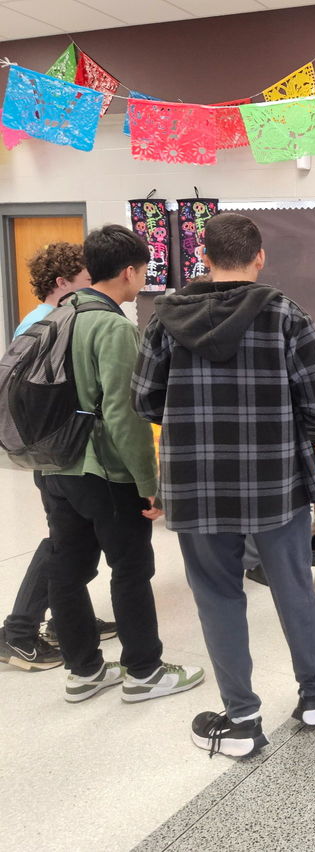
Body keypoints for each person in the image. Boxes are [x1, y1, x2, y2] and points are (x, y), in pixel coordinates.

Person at [133, 213, 315, 758]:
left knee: (217, 596)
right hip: (274, 480)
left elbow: (144, 399)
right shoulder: (286, 315)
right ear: (260, 258)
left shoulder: (164, 320)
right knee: (294, 588)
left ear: (204, 256)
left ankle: (240, 719)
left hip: (195, 483)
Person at [38, 225, 204, 704]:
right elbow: (124, 414)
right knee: (130, 568)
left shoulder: (58, 314)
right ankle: (144, 671)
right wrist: (148, 483)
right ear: (129, 272)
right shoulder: (111, 326)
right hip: (104, 470)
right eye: (144, 271)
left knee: (67, 569)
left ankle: (84, 671)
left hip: (55, 466)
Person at [0, 242, 117, 672]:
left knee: (74, 543)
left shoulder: (53, 319)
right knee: (61, 544)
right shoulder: (44, 324)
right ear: (62, 283)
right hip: (57, 454)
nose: (91, 289)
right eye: (85, 281)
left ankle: (65, 621)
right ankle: (19, 630)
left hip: (58, 452)